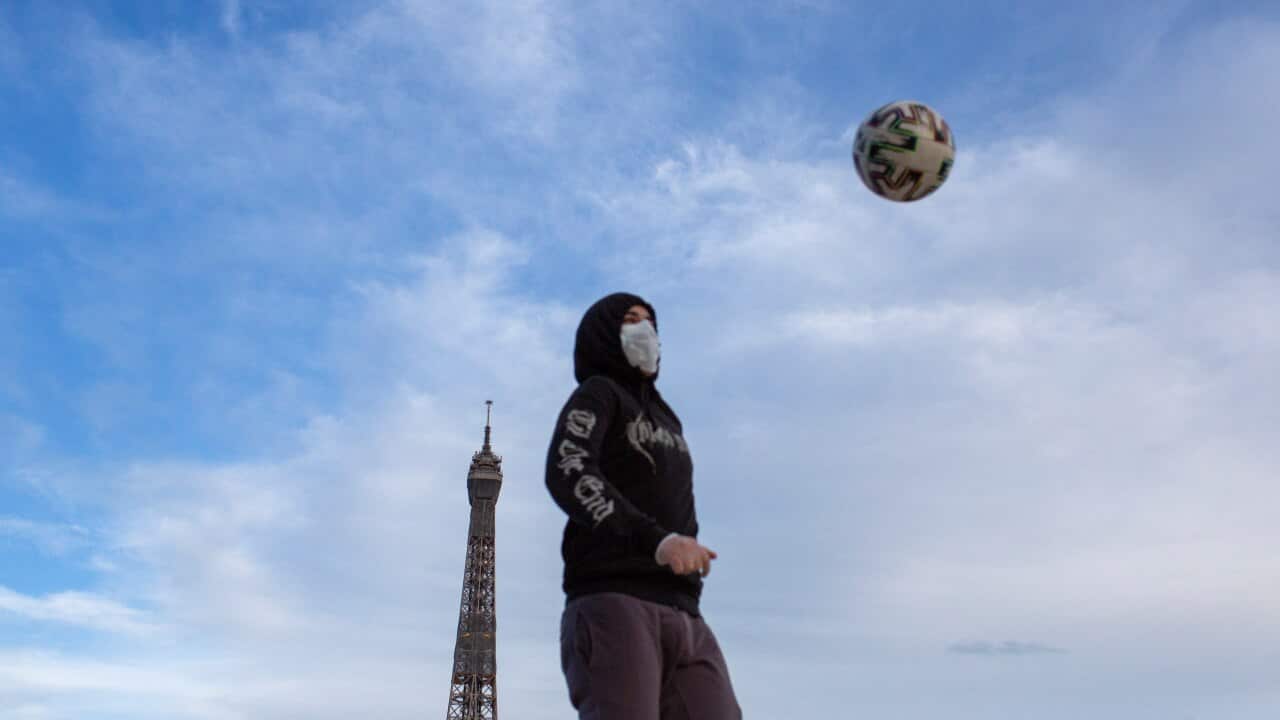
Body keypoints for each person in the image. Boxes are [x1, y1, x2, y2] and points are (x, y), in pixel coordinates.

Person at [545, 292, 742, 720]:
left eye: (650, 322)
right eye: (631, 320)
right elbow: (569, 469)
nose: (645, 331)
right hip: (614, 599)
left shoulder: (668, 418)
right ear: (604, 335)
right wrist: (657, 541)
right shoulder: (598, 396)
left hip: (684, 608)